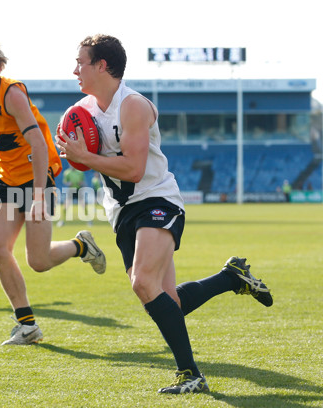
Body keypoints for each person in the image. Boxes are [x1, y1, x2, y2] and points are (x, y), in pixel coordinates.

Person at [55, 34, 273, 393]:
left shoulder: (133, 106)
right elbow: (86, 160)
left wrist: (88, 157)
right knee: (164, 300)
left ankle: (192, 375)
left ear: (102, 66)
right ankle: (231, 278)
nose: (74, 69)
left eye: (81, 61)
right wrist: (74, 154)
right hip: (123, 212)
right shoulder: (81, 111)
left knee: (142, 282)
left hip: (157, 201)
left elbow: (136, 170)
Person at [0, 40, 106, 346]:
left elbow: (39, 145)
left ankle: (81, 246)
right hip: (6, 181)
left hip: (38, 178)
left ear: (0, 68)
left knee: (38, 261)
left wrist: (39, 195)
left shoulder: (12, 94)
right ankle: (26, 325)